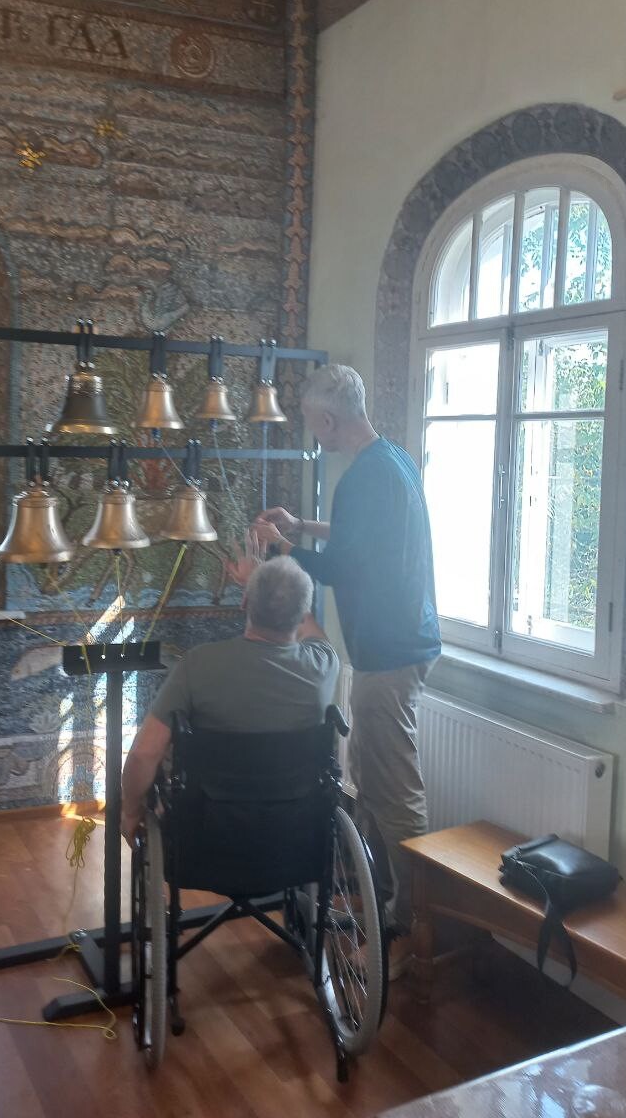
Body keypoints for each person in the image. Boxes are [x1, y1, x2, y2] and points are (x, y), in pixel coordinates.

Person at [251, 363, 440, 957]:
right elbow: (361, 538)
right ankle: (384, 904)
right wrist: (302, 525)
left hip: (389, 655)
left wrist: (282, 551)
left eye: (314, 424)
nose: (315, 435)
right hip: (401, 645)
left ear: (329, 420)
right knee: (372, 778)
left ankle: (409, 927)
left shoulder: (361, 478)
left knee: (395, 794)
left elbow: (339, 568)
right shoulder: (394, 460)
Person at [121, 553, 338, 844]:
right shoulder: (323, 664)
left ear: (244, 602)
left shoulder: (197, 664)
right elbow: (312, 629)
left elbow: (144, 754)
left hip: (209, 832)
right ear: (301, 616)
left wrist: (130, 812)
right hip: (294, 834)